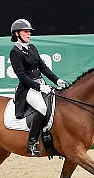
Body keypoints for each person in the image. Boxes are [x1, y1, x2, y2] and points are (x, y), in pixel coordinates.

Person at [9, 18, 66, 156]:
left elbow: (43, 68)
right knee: (42, 108)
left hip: (41, 84)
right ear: (17, 33)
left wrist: (57, 80)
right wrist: (39, 87)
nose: (29, 34)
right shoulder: (15, 52)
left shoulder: (32, 47)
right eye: (26, 31)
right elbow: (22, 76)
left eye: (29, 32)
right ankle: (32, 143)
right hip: (27, 88)